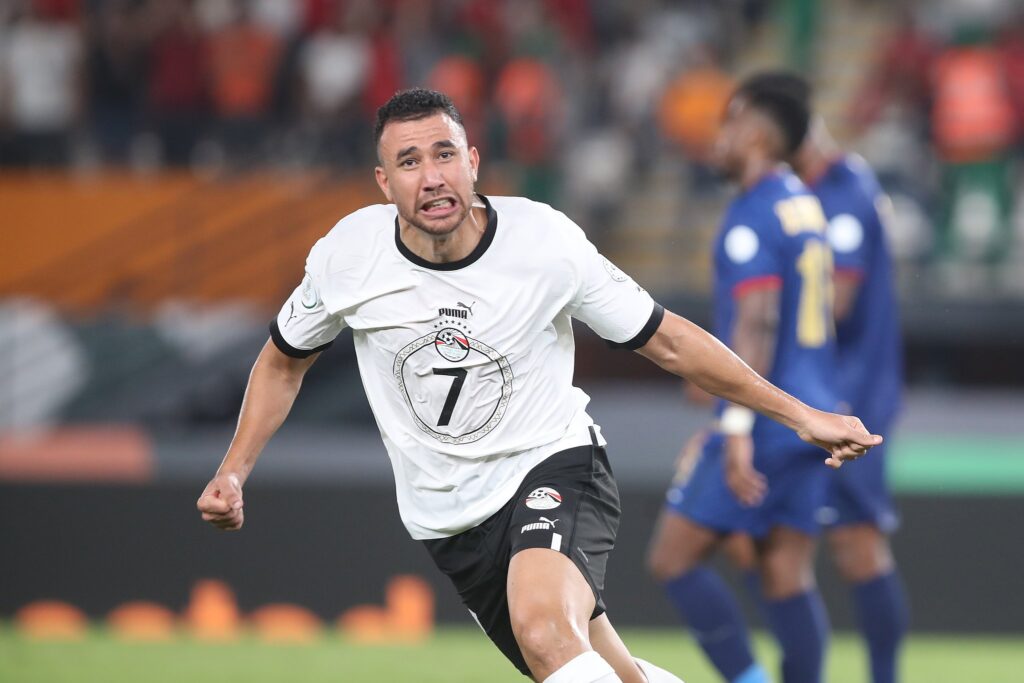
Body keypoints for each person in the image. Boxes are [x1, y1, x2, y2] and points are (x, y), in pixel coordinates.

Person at [197, 88, 881, 683]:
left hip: (552, 464)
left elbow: (668, 338)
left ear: (473, 162)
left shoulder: (544, 243)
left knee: (546, 629)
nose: (431, 177)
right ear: (383, 182)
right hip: (449, 521)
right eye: (408, 162)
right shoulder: (348, 257)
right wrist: (233, 470)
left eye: (444, 154)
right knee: (596, 665)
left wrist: (799, 415)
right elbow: (283, 361)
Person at [647, 73, 838, 683]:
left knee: (674, 559)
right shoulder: (803, 204)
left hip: (770, 421)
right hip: (815, 410)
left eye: (728, 124)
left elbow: (759, 319)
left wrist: (732, 426)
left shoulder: (751, 215)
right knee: (786, 573)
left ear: (755, 134)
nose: (718, 138)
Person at [794, 107, 909, 683]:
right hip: (819, 391)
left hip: (849, 395)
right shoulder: (829, 189)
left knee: (856, 544)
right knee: (767, 543)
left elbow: (834, 303)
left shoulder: (842, 194)